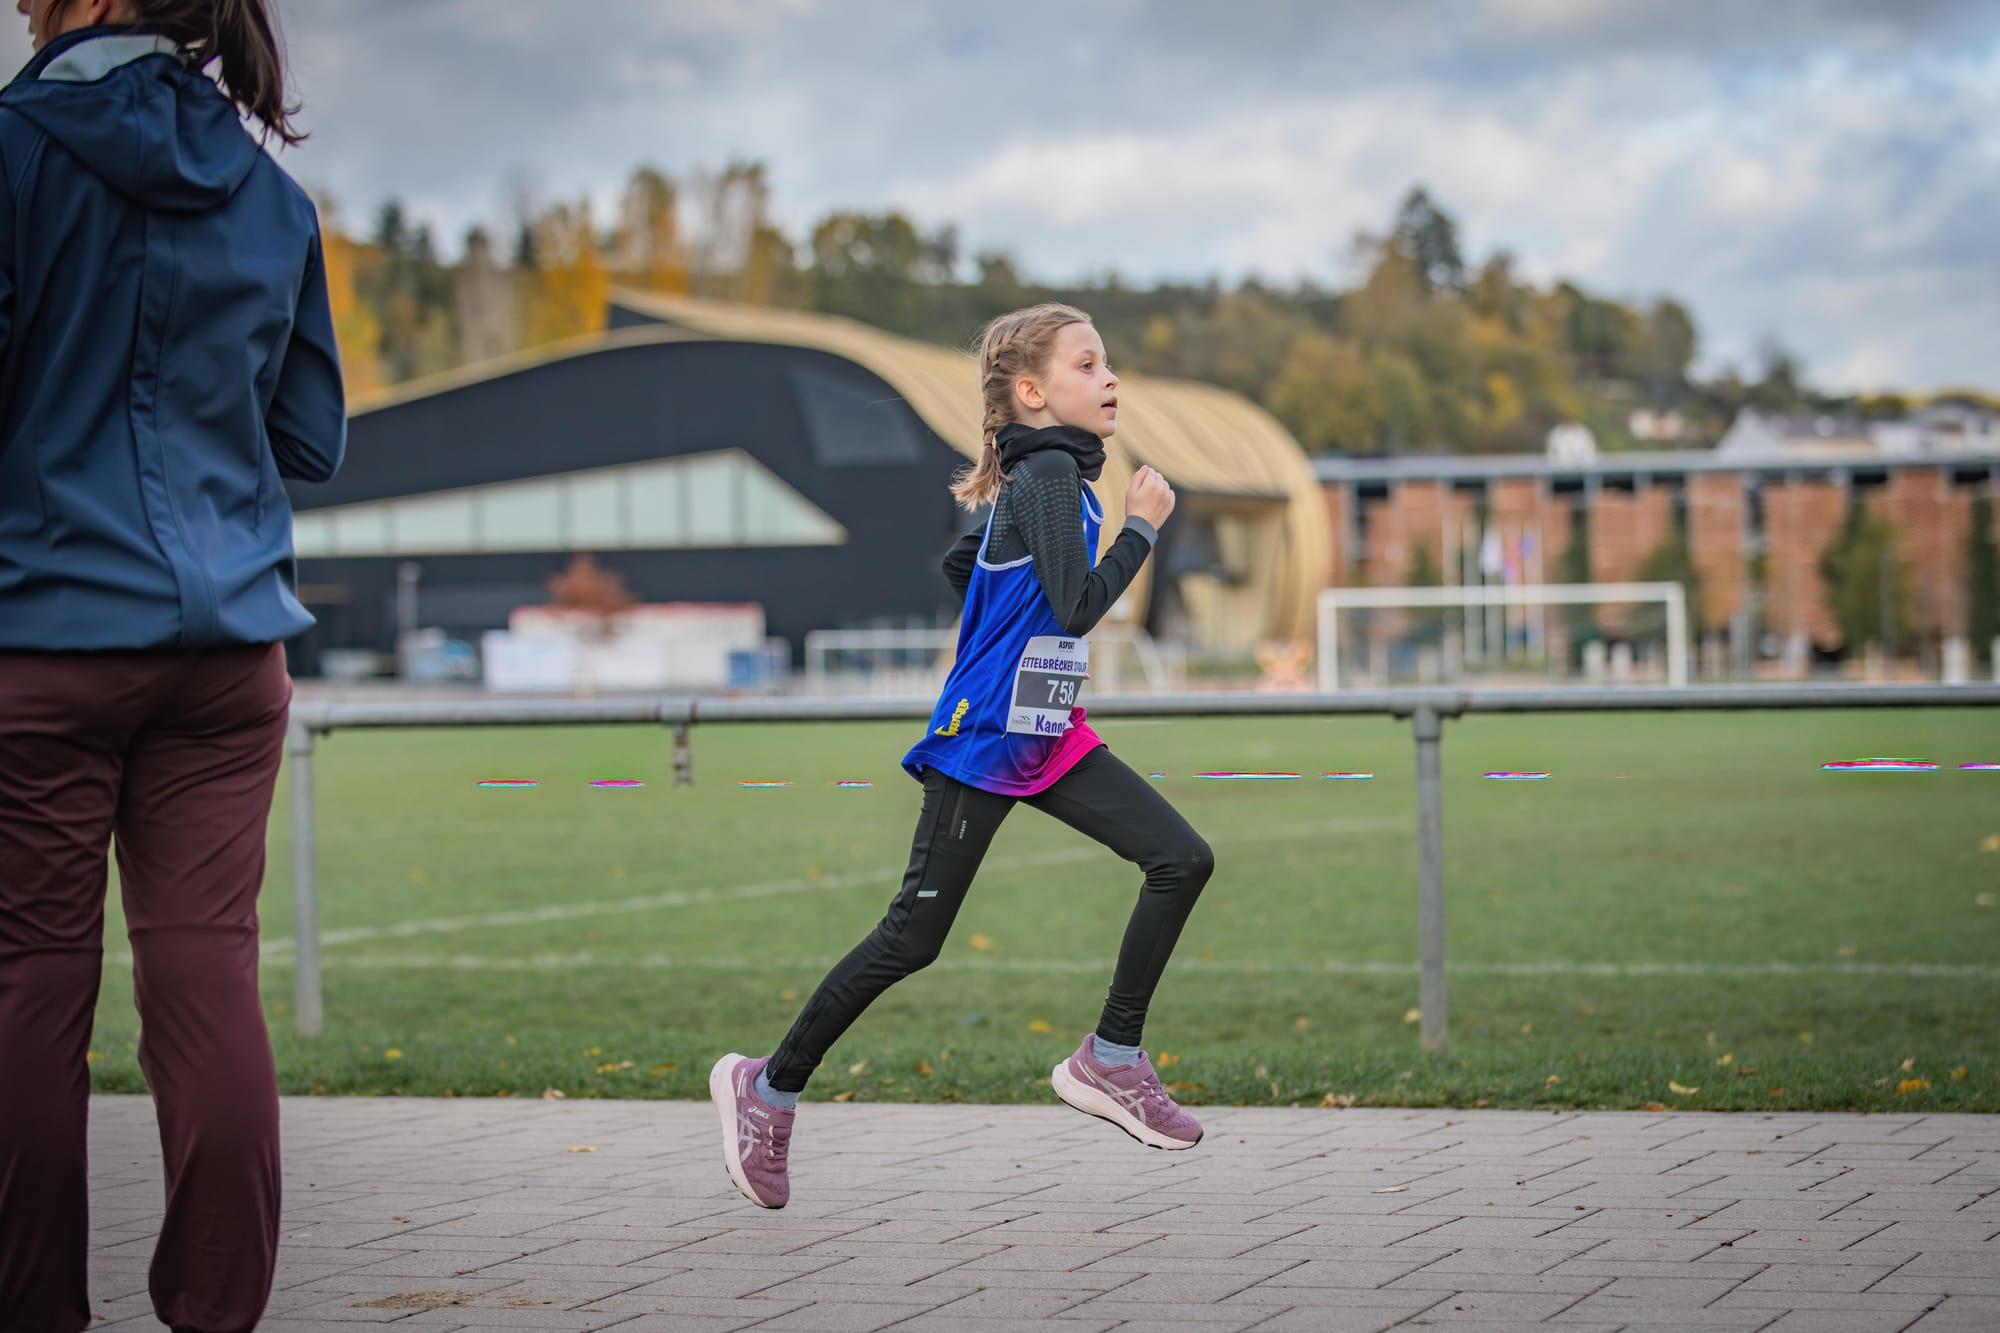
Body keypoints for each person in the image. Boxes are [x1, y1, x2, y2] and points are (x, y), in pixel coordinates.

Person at [0, 1, 344, 1329]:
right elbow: (309, 438)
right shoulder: (271, 195)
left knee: (29, 982)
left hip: (37, 636)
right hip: (225, 654)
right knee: (207, 976)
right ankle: (214, 1310)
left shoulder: (13, 151)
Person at [711, 303, 1214, 1209]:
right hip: (985, 739)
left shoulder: (1051, 481)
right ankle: (767, 1087)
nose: (1110, 378)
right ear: (1032, 392)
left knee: (1180, 857)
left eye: (1106, 363)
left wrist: (1002, 625)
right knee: (912, 937)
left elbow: (964, 569)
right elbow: (1075, 607)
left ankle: (1111, 1056)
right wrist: (1142, 527)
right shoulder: (1051, 475)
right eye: (1087, 364)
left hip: (1045, 731)